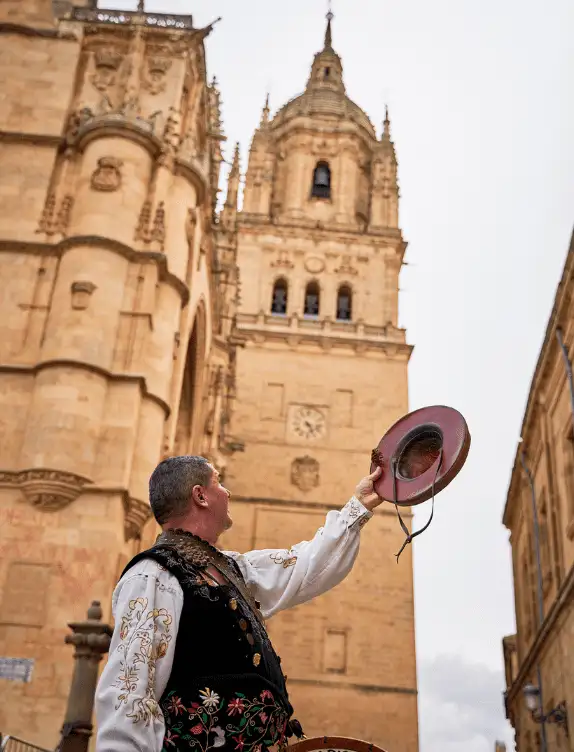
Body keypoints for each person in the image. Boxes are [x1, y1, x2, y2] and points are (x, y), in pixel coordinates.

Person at [95, 455, 384, 752]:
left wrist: (357, 508)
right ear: (200, 496)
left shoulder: (232, 568)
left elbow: (304, 567)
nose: (227, 492)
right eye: (218, 482)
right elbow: (128, 694)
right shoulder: (152, 576)